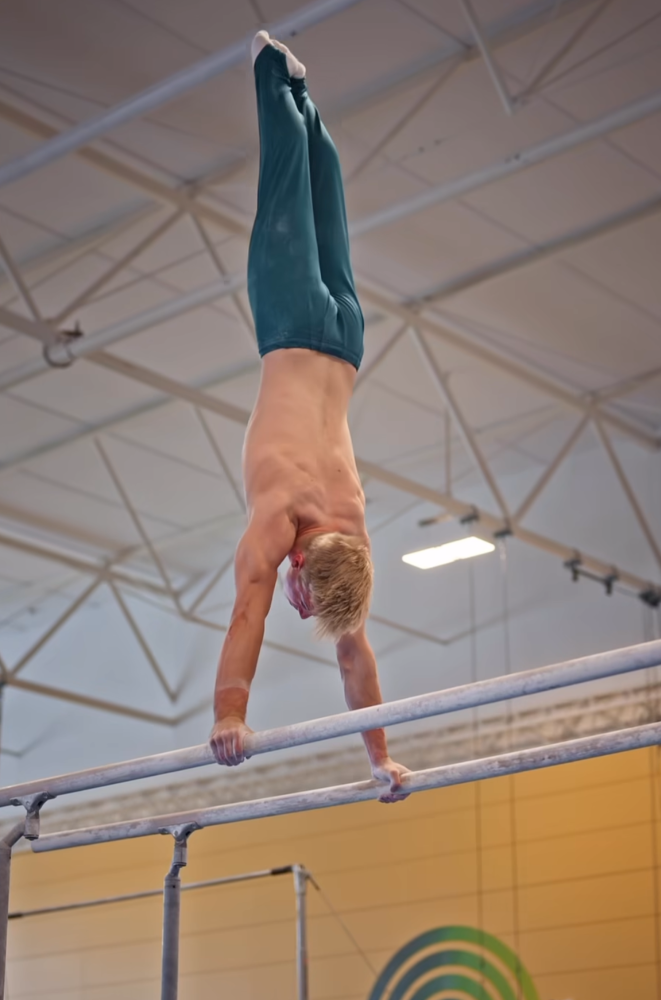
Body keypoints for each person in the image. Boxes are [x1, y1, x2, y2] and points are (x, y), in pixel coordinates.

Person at [208, 31, 409, 803]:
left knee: (327, 209)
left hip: (348, 339)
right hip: (290, 325)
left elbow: (355, 658)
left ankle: (306, 103)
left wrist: (378, 760)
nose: (298, 609)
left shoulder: (350, 540)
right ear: (302, 568)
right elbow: (245, 620)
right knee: (282, 195)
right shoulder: (283, 521)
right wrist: (231, 715)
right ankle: (270, 72)